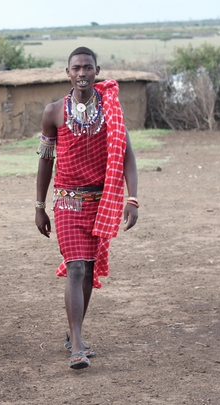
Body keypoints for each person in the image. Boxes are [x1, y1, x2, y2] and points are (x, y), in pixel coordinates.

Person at [35, 47, 139, 370]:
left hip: (100, 202)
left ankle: (72, 331)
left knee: (89, 271)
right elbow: (45, 160)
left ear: (97, 70)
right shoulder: (53, 112)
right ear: (68, 72)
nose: (82, 73)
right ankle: (77, 344)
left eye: (88, 68)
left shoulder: (110, 110)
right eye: (76, 68)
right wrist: (40, 206)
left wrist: (131, 199)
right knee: (76, 267)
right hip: (67, 200)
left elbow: (127, 156)